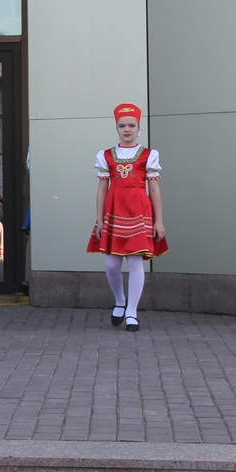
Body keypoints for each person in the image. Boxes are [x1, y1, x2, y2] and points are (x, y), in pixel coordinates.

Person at [87, 103, 167, 332]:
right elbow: (102, 189)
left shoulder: (149, 155)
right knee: (111, 264)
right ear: (117, 128)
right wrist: (100, 219)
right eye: (122, 126)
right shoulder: (106, 155)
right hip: (114, 211)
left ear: (138, 128)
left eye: (132, 125)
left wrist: (159, 221)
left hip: (140, 211)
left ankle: (132, 311)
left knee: (134, 261)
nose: (127, 129)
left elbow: (154, 190)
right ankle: (120, 300)